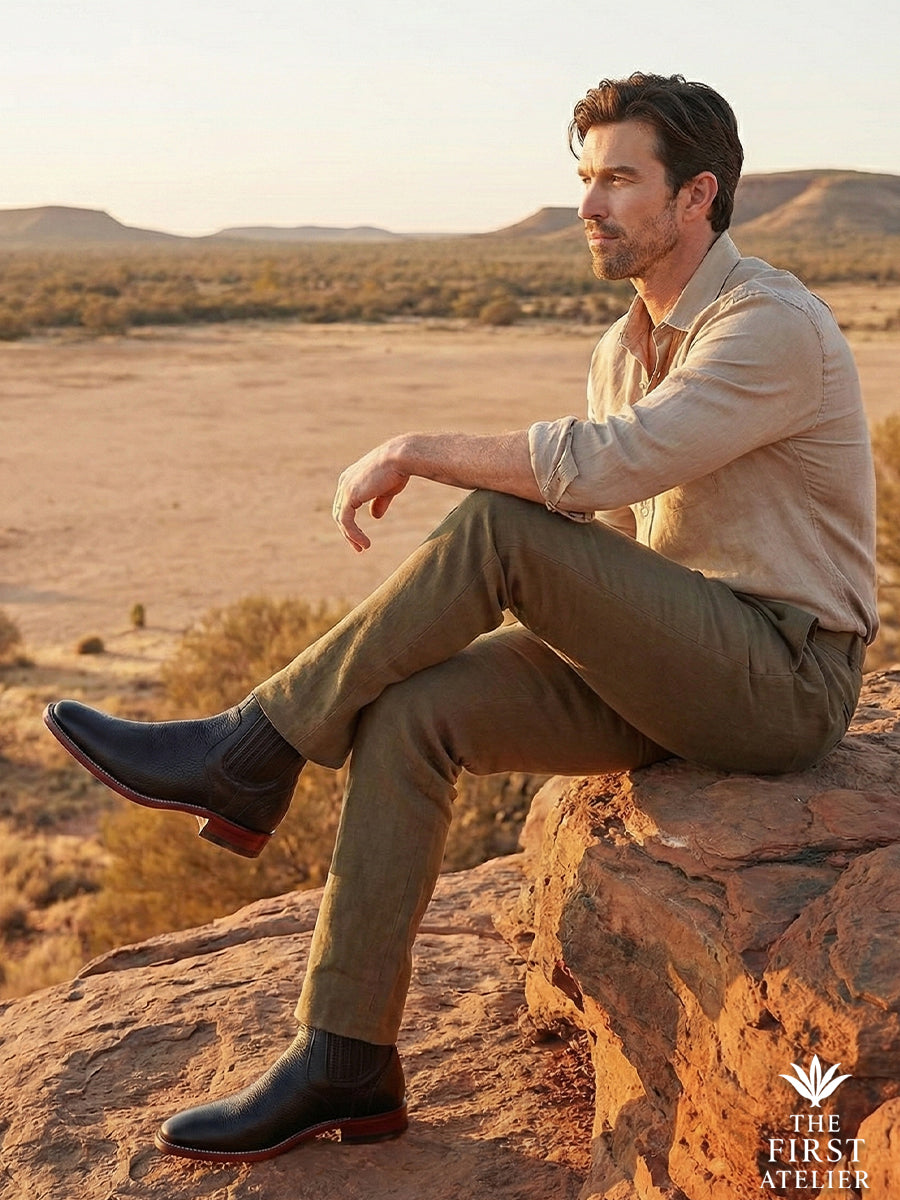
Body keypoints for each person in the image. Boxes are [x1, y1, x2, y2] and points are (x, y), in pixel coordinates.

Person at [43, 72, 876, 1165]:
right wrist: (531, 635)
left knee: (502, 526)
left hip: (782, 679)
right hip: (681, 670)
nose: (590, 204)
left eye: (620, 178)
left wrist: (416, 448)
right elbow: (619, 550)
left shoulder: (769, 324)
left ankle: (251, 749)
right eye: (585, 179)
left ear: (696, 197)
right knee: (415, 712)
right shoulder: (623, 348)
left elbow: (608, 467)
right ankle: (344, 1058)